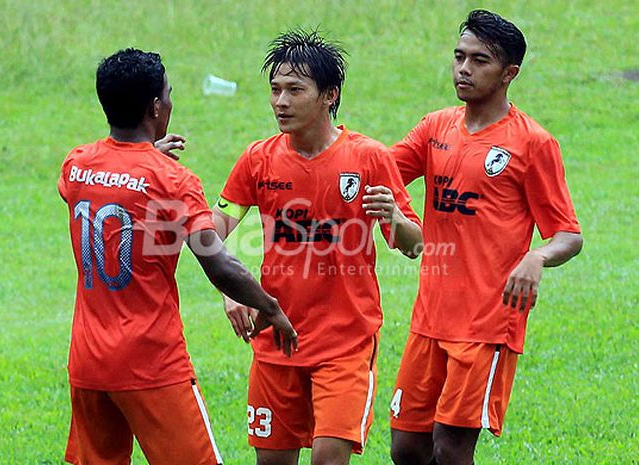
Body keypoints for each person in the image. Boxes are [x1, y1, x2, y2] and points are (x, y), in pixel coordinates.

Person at [57, 48, 297, 465]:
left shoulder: (76, 165)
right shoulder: (172, 179)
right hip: (151, 363)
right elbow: (218, 263)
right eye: (167, 94)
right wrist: (270, 306)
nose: (170, 101)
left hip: (88, 364)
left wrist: (144, 158)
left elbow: (113, 190)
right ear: (155, 107)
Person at [211, 30, 423, 465]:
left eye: (294, 90)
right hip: (276, 340)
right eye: (275, 90)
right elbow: (210, 233)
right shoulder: (258, 159)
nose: (280, 102)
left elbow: (414, 244)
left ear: (330, 95)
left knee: (329, 458)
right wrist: (230, 290)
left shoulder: (368, 158)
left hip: (345, 344)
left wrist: (395, 219)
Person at [387, 10, 583, 465]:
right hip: (430, 318)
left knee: (453, 448)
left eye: (479, 61)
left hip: (487, 323)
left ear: (508, 73)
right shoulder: (435, 127)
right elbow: (380, 170)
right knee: (407, 447)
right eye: (459, 57)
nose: (463, 69)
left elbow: (568, 234)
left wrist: (537, 257)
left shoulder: (533, 143)